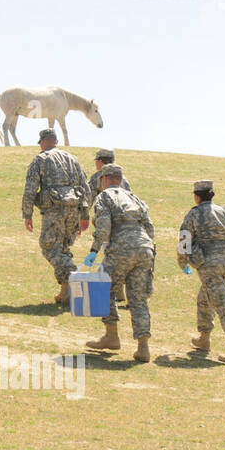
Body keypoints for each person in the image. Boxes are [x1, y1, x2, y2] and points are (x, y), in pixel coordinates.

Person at [82, 165, 156, 362]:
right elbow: (150, 228)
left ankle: (111, 335)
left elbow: (104, 227)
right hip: (145, 249)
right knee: (138, 297)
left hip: (122, 248)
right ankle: (143, 347)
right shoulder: (134, 198)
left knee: (101, 286)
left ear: (104, 179)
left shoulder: (105, 197)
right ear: (121, 179)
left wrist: (94, 250)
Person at [178, 180, 225, 364]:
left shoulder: (194, 214)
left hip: (210, 265)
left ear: (197, 196)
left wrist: (182, 261)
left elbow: (184, 240)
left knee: (223, 305)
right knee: (205, 298)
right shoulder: (224, 211)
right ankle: (204, 338)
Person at [21, 129, 90, 303]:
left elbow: (30, 189)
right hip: (74, 209)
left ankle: (73, 274)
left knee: (50, 247)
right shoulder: (73, 159)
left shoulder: (41, 159)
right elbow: (85, 188)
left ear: (43, 142)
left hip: (54, 210)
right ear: (56, 141)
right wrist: (85, 214)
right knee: (64, 248)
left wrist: (27, 214)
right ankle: (66, 293)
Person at [89, 148, 131, 303]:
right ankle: (121, 293)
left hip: (110, 225)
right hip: (128, 226)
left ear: (100, 161)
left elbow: (89, 197)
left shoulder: (98, 178)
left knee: (112, 259)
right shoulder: (123, 179)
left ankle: (115, 294)